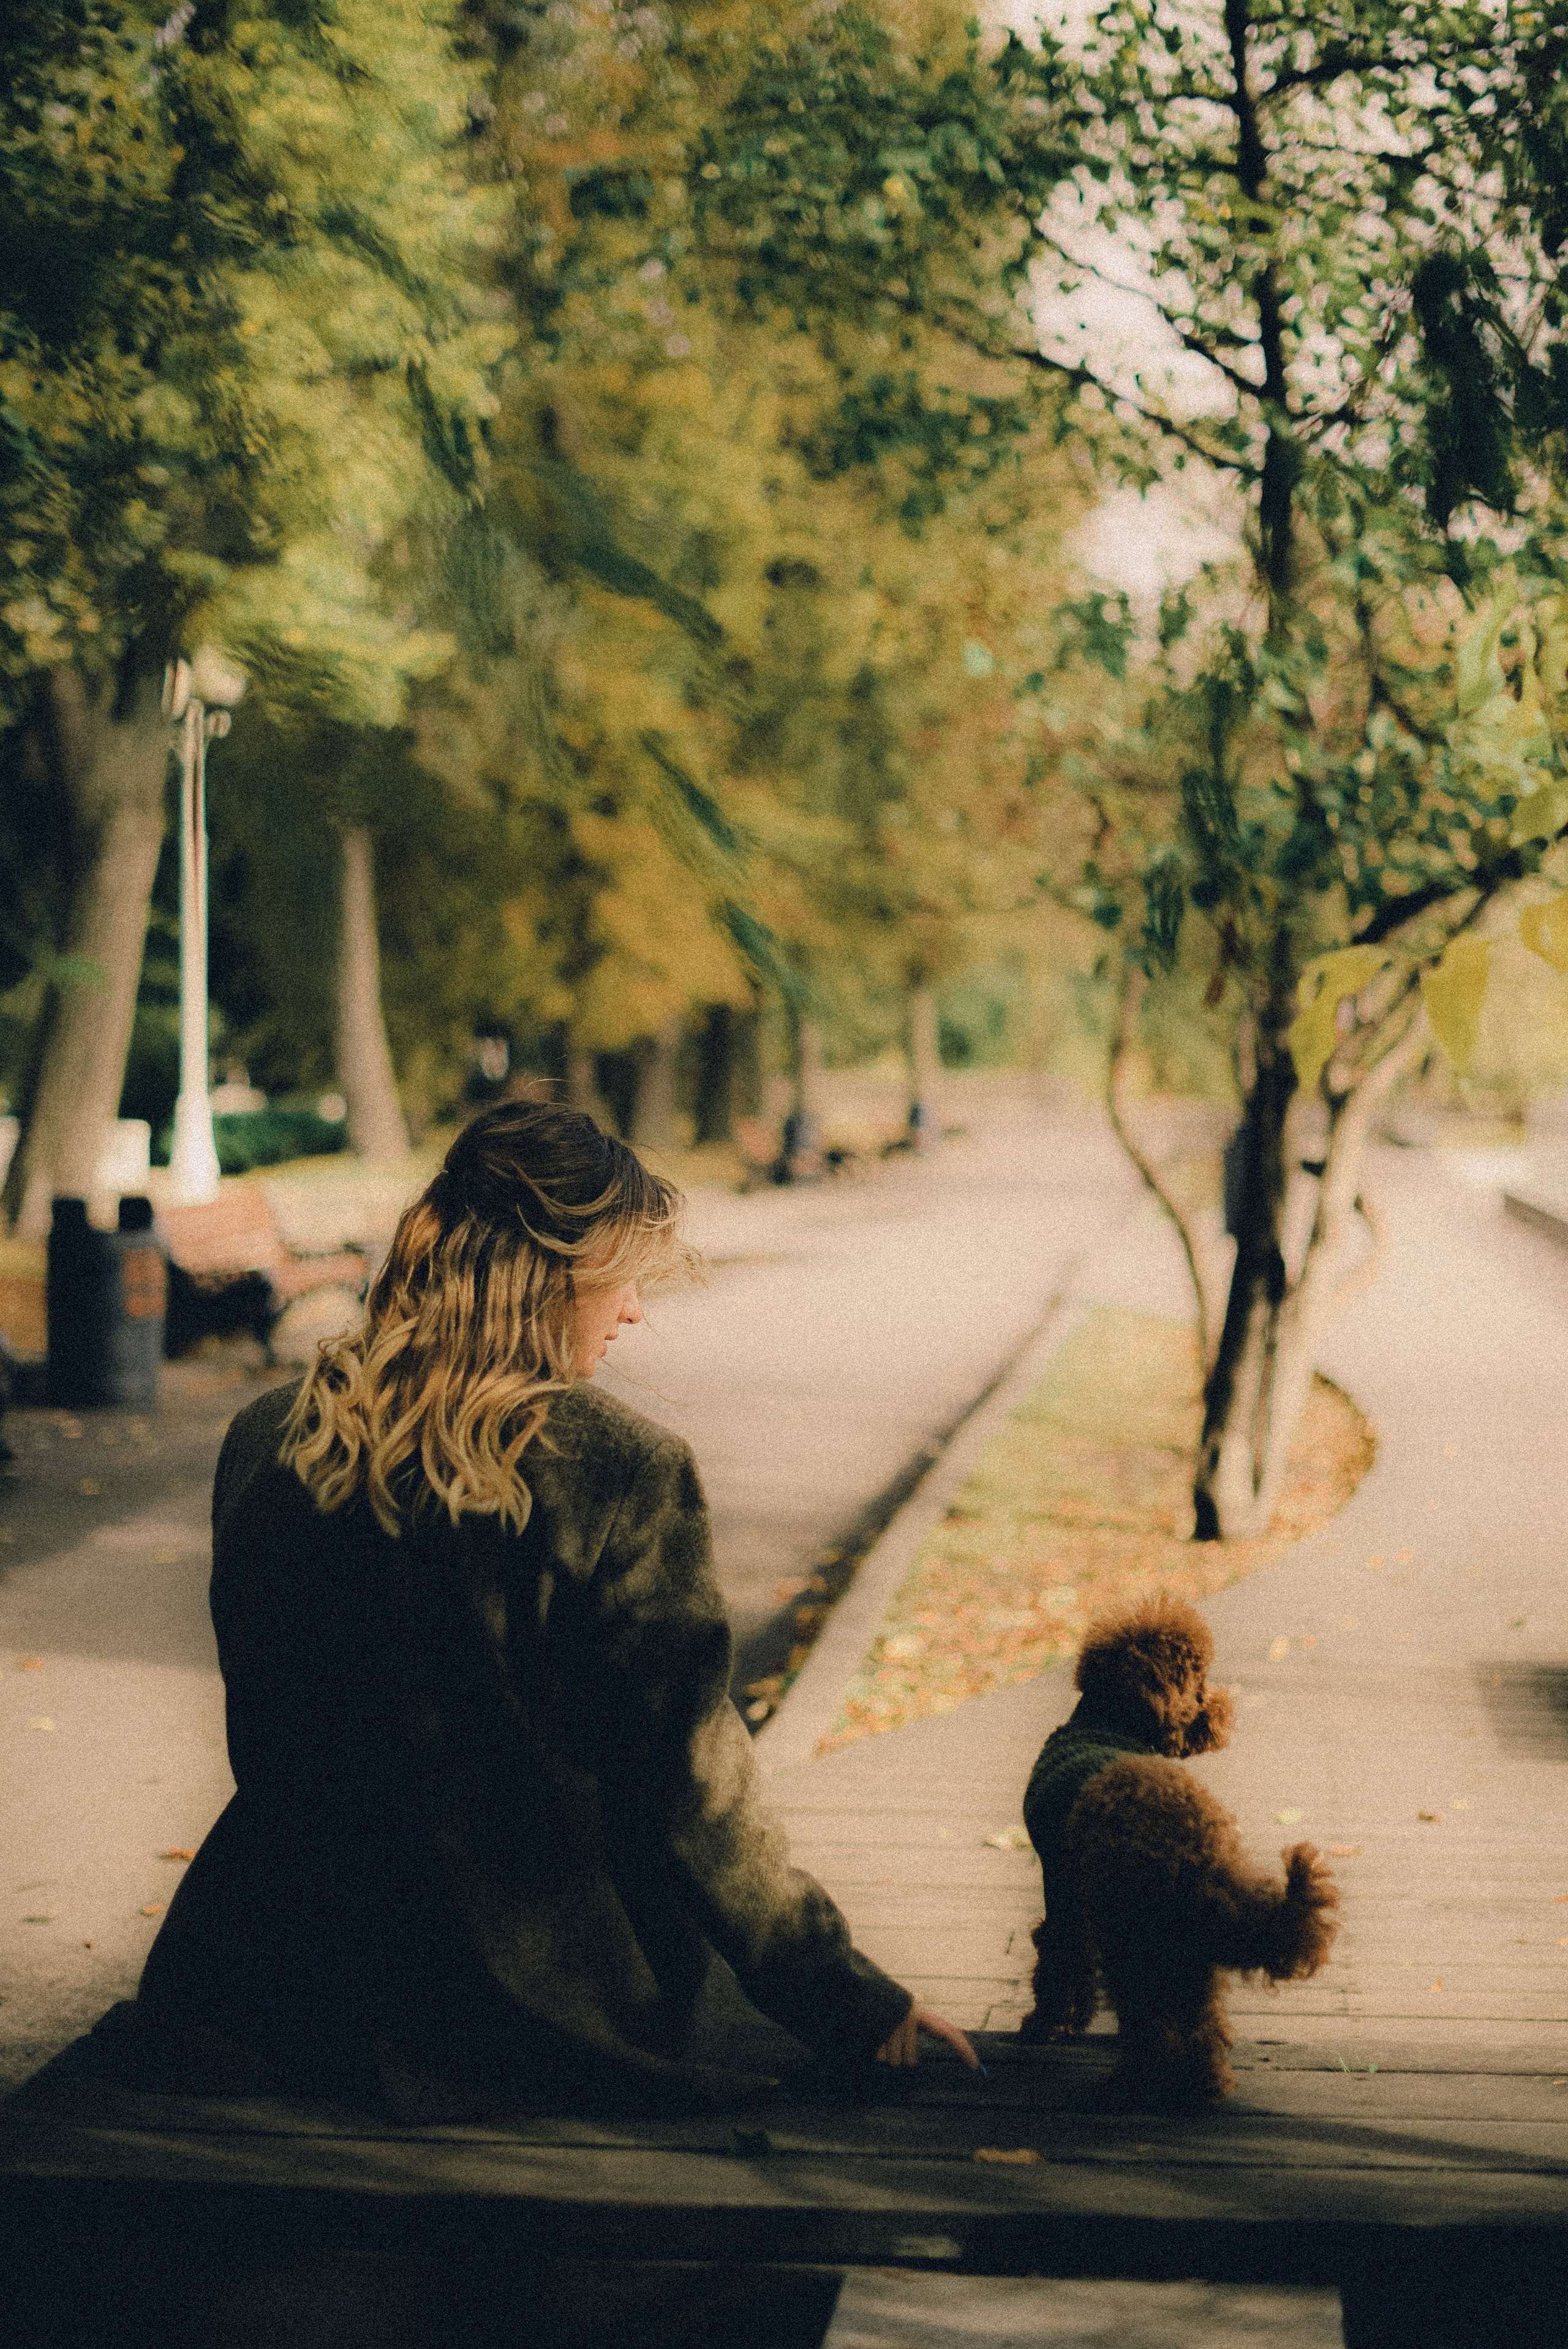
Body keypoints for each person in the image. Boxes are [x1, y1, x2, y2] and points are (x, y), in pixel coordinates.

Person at [134, 1101, 975, 2119]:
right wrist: (844, 1998)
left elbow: (270, 1738)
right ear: (545, 1278)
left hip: (260, 1988)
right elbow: (690, 1786)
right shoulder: (622, 1470)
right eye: (618, 1278)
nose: (632, 1314)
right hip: (517, 2008)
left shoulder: (268, 1436)